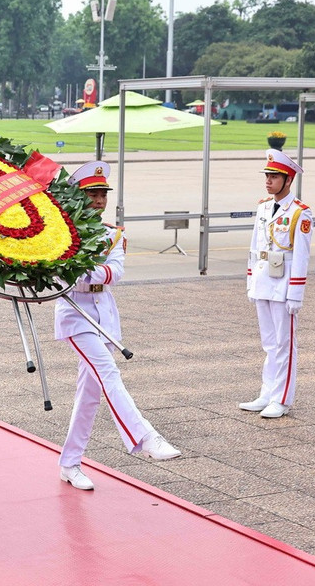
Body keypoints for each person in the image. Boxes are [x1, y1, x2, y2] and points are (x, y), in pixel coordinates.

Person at [55, 161, 181, 491]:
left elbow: (116, 272)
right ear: (77, 198)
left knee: (89, 395)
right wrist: (85, 273)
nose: (98, 201)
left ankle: (70, 462)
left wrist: (84, 272)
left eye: (102, 195)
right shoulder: (61, 233)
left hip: (105, 315)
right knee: (108, 373)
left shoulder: (113, 234)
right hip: (75, 315)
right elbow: (62, 277)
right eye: (91, 195)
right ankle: (145, 436)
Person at [240, 149, 313, 419]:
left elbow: (302, 256)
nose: (268, 181)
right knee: (269, 343)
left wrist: (296, 293)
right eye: (267, 176)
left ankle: (281, 399)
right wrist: (250, 280)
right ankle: (267, 393)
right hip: (263, 281)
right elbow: (254, 247)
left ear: (288, 180)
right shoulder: (262, 208)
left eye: (274, 176)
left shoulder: (299, 213)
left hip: (284, 286)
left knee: (285, 344)